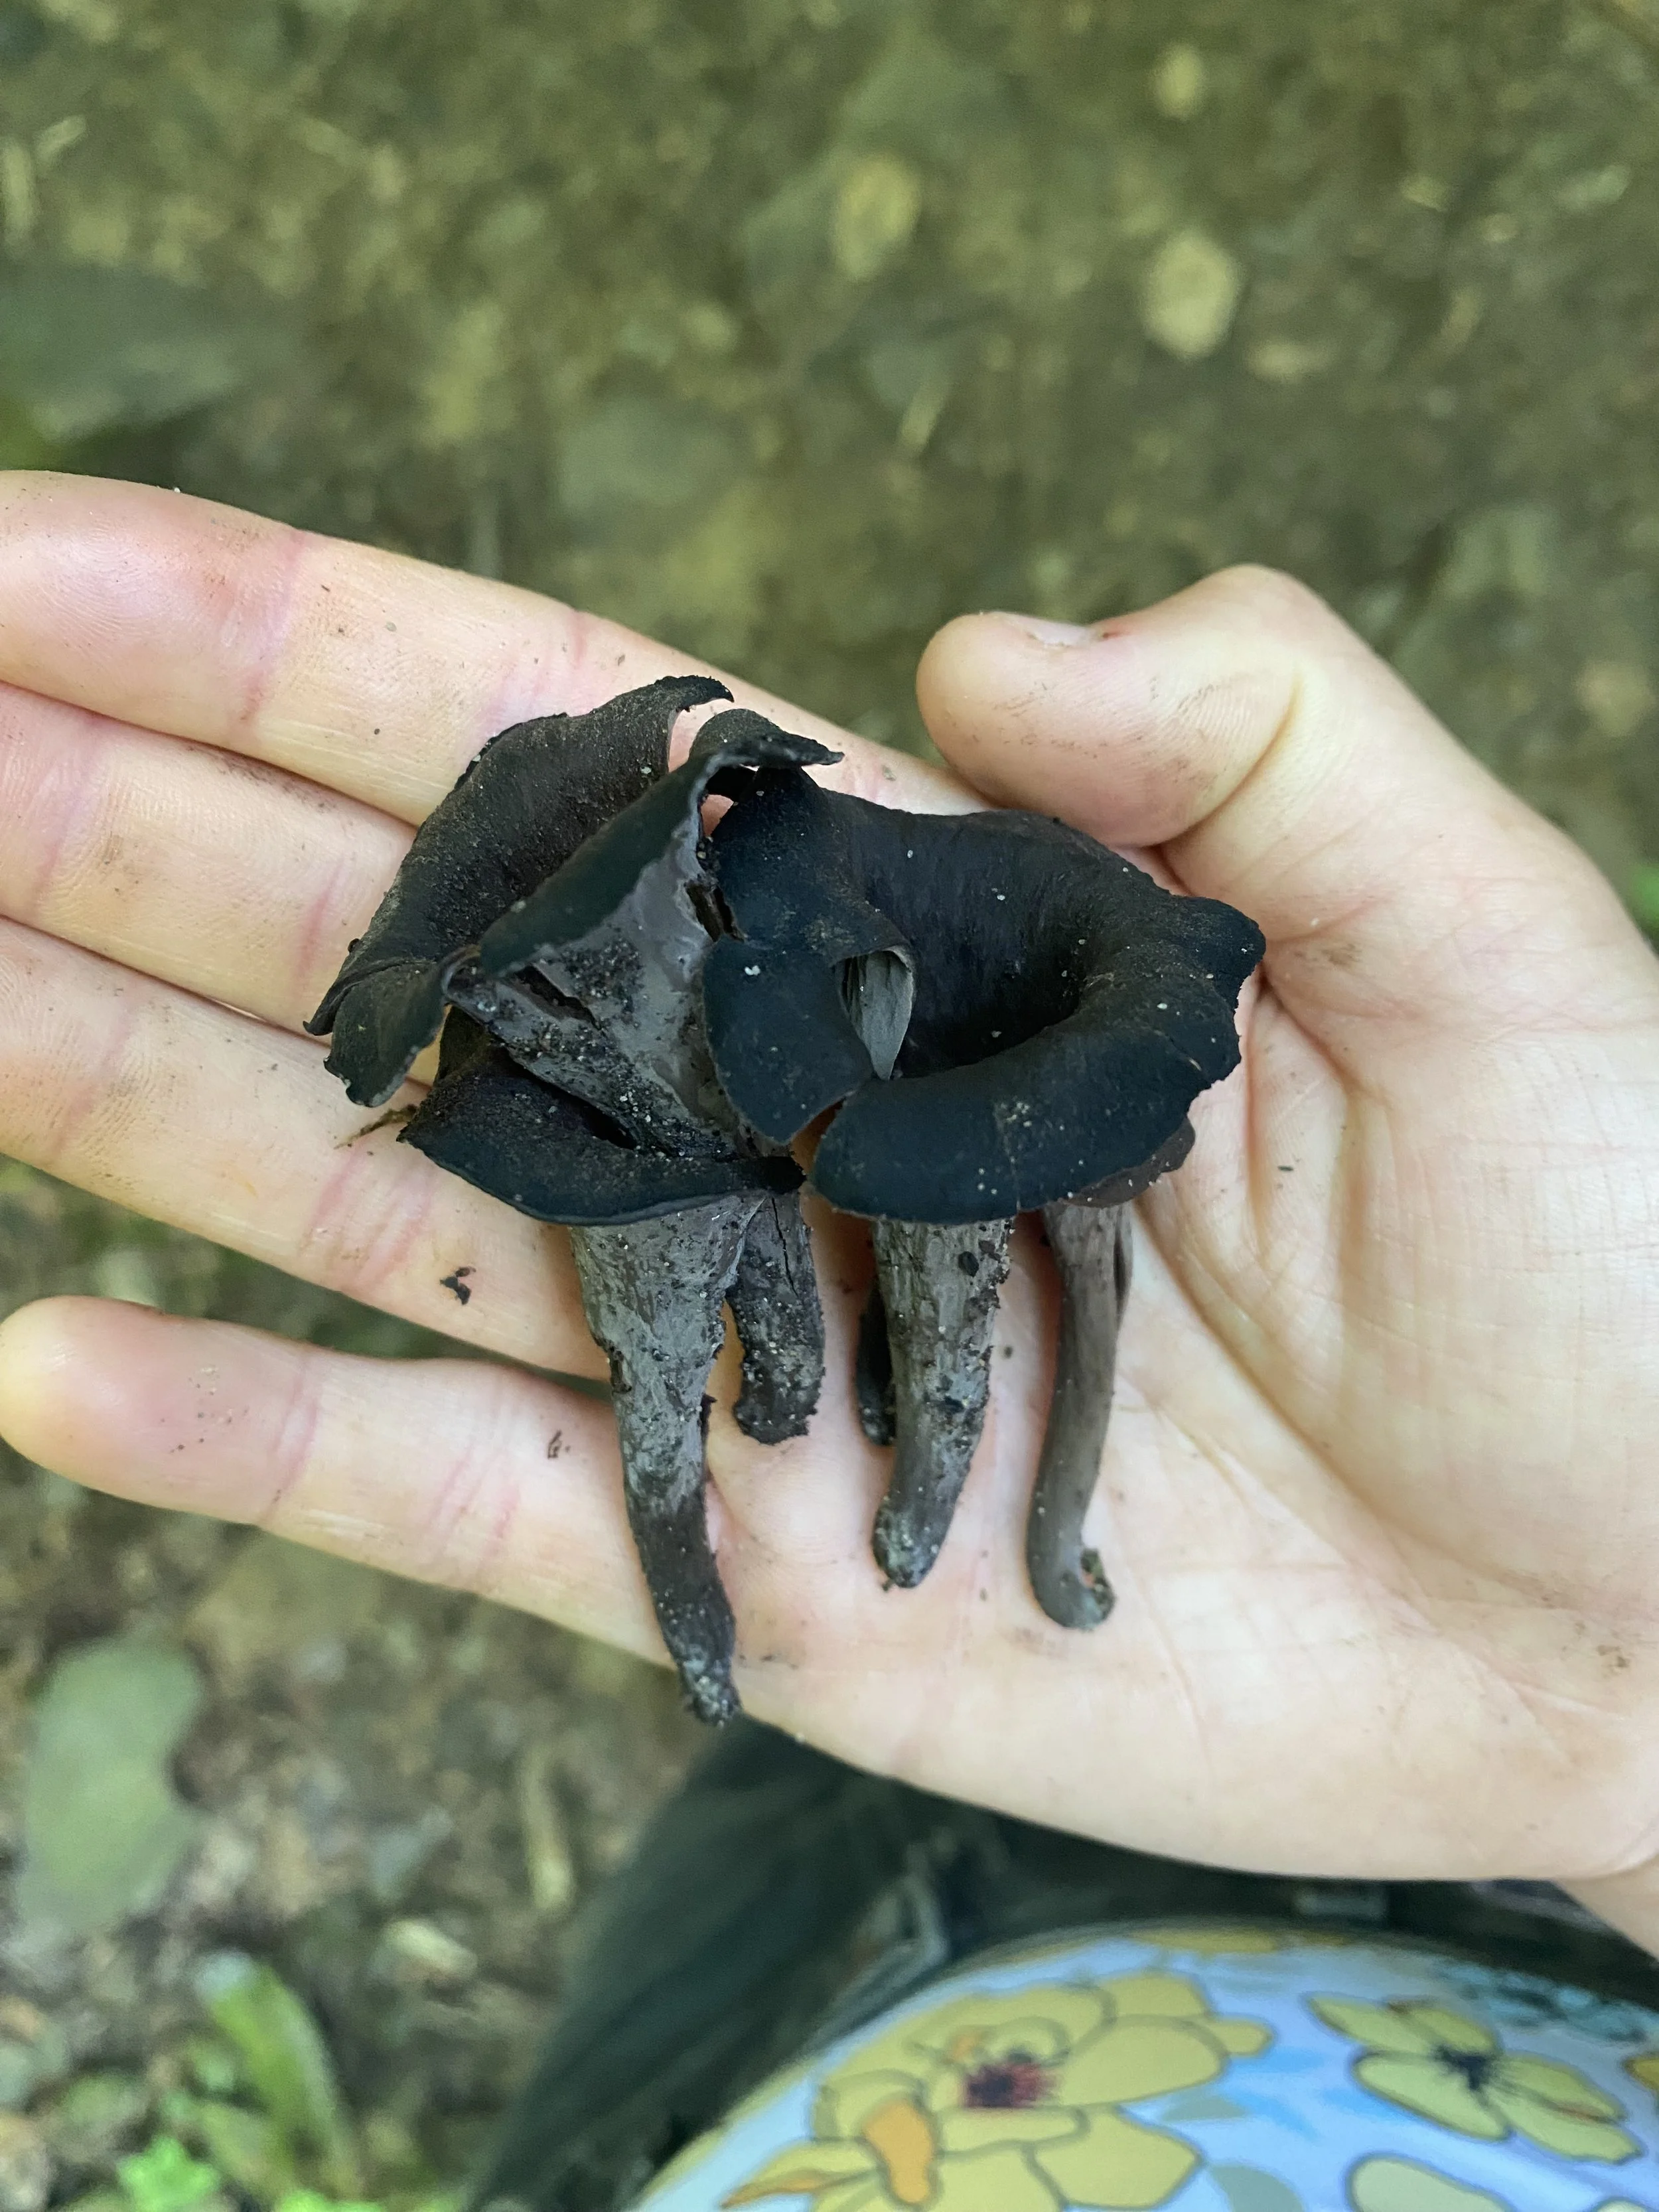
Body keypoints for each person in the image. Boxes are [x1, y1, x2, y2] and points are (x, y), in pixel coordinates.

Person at [0, 471, 1656, 2207]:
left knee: (791, 1738)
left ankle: (910, 1540)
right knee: (767, 1576)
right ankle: (849, 1534)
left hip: (763, 2072)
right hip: (1376, 1959)